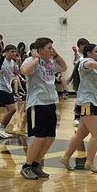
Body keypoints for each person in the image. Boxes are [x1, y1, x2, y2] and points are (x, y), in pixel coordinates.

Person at [60, 43, 97, 173]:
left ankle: (65, 157)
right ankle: (90, 162)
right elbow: (93, 65)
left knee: (81, 133)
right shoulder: (85, 62)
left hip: (96, 103)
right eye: (96, 51)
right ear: (89, 53)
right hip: (88, 102)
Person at [19, 37, 68, 180]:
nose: (52, 50)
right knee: (39, 137)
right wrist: (36, 58)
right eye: (49, 48)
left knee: (50, 137)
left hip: (50, 102)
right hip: (37, 103)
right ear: (40, 50)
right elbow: (25, 71)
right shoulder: (31, 61)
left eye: (52, 47)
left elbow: (64, 67)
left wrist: (56, 55)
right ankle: (26, 166)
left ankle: (36, 164)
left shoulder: (51, 62)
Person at [0, 44, 20, 139]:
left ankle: (1, 129)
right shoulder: (2, 62)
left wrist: (19, 61)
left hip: (9, 88)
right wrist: (0, 60)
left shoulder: (12, 63)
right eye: (12, 51)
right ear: (6, 52)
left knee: (11, 110)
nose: (14, 53)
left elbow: (19, 71)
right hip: (1, 88)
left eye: (15, 51)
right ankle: (0, 127)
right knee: (12, 109)